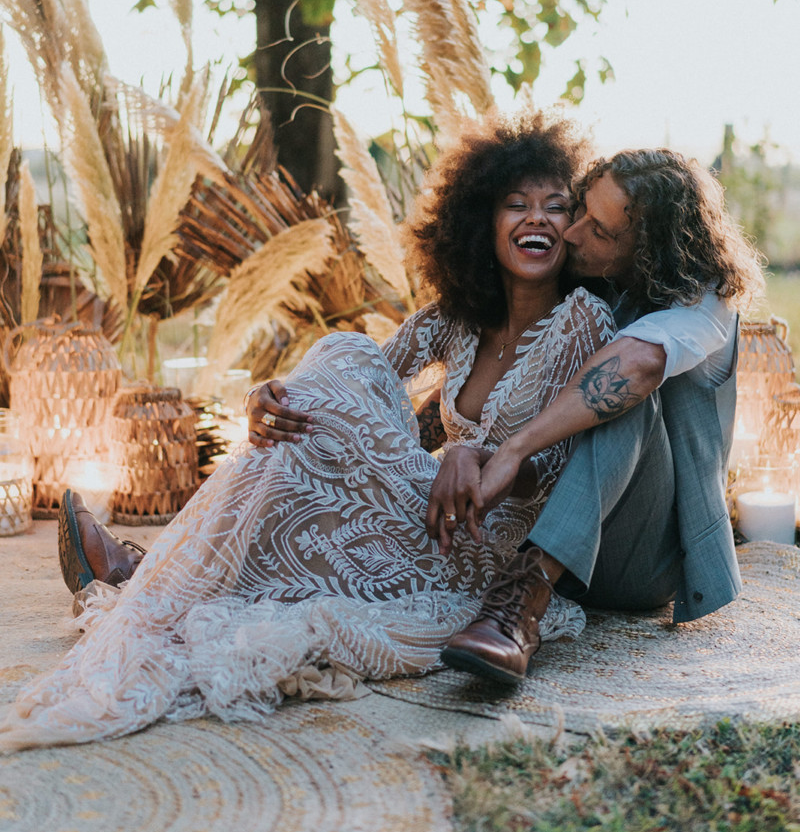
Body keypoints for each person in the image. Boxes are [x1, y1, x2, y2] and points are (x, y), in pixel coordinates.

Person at [0, 113, 615, 752]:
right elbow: (358, 381)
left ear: (574, 229)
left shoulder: (583, 321)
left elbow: (567, 464)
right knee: (342, 358)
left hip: (483, 548)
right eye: (516, 205)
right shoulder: (457, 320)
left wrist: (482, 454)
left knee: (340, 365)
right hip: (424, 515)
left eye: (555, 206)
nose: (537, 218)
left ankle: (154, 567)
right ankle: (171, 565)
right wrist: (269, 399)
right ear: (481, 224)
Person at [437, 148, 764, 684]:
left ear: (650, 250)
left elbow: (636, 367)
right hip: (549, 515)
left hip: (644, 559)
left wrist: (515, 446)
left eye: (602, 231)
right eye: (582, 209)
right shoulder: (591, 289)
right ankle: (528, 577)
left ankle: (523, 603)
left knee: (629, 394)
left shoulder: (705, 304)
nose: (573, 233)